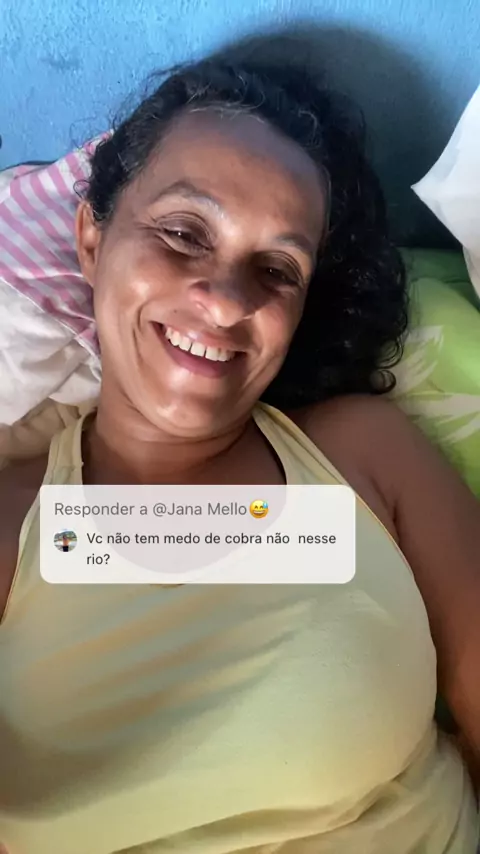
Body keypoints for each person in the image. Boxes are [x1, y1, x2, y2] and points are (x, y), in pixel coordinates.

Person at [0, 57, 479, 854]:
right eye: (184, 233)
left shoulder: (364, 459)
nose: (226, 300)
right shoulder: (15, 530)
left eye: (276, 270)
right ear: (91, 238)